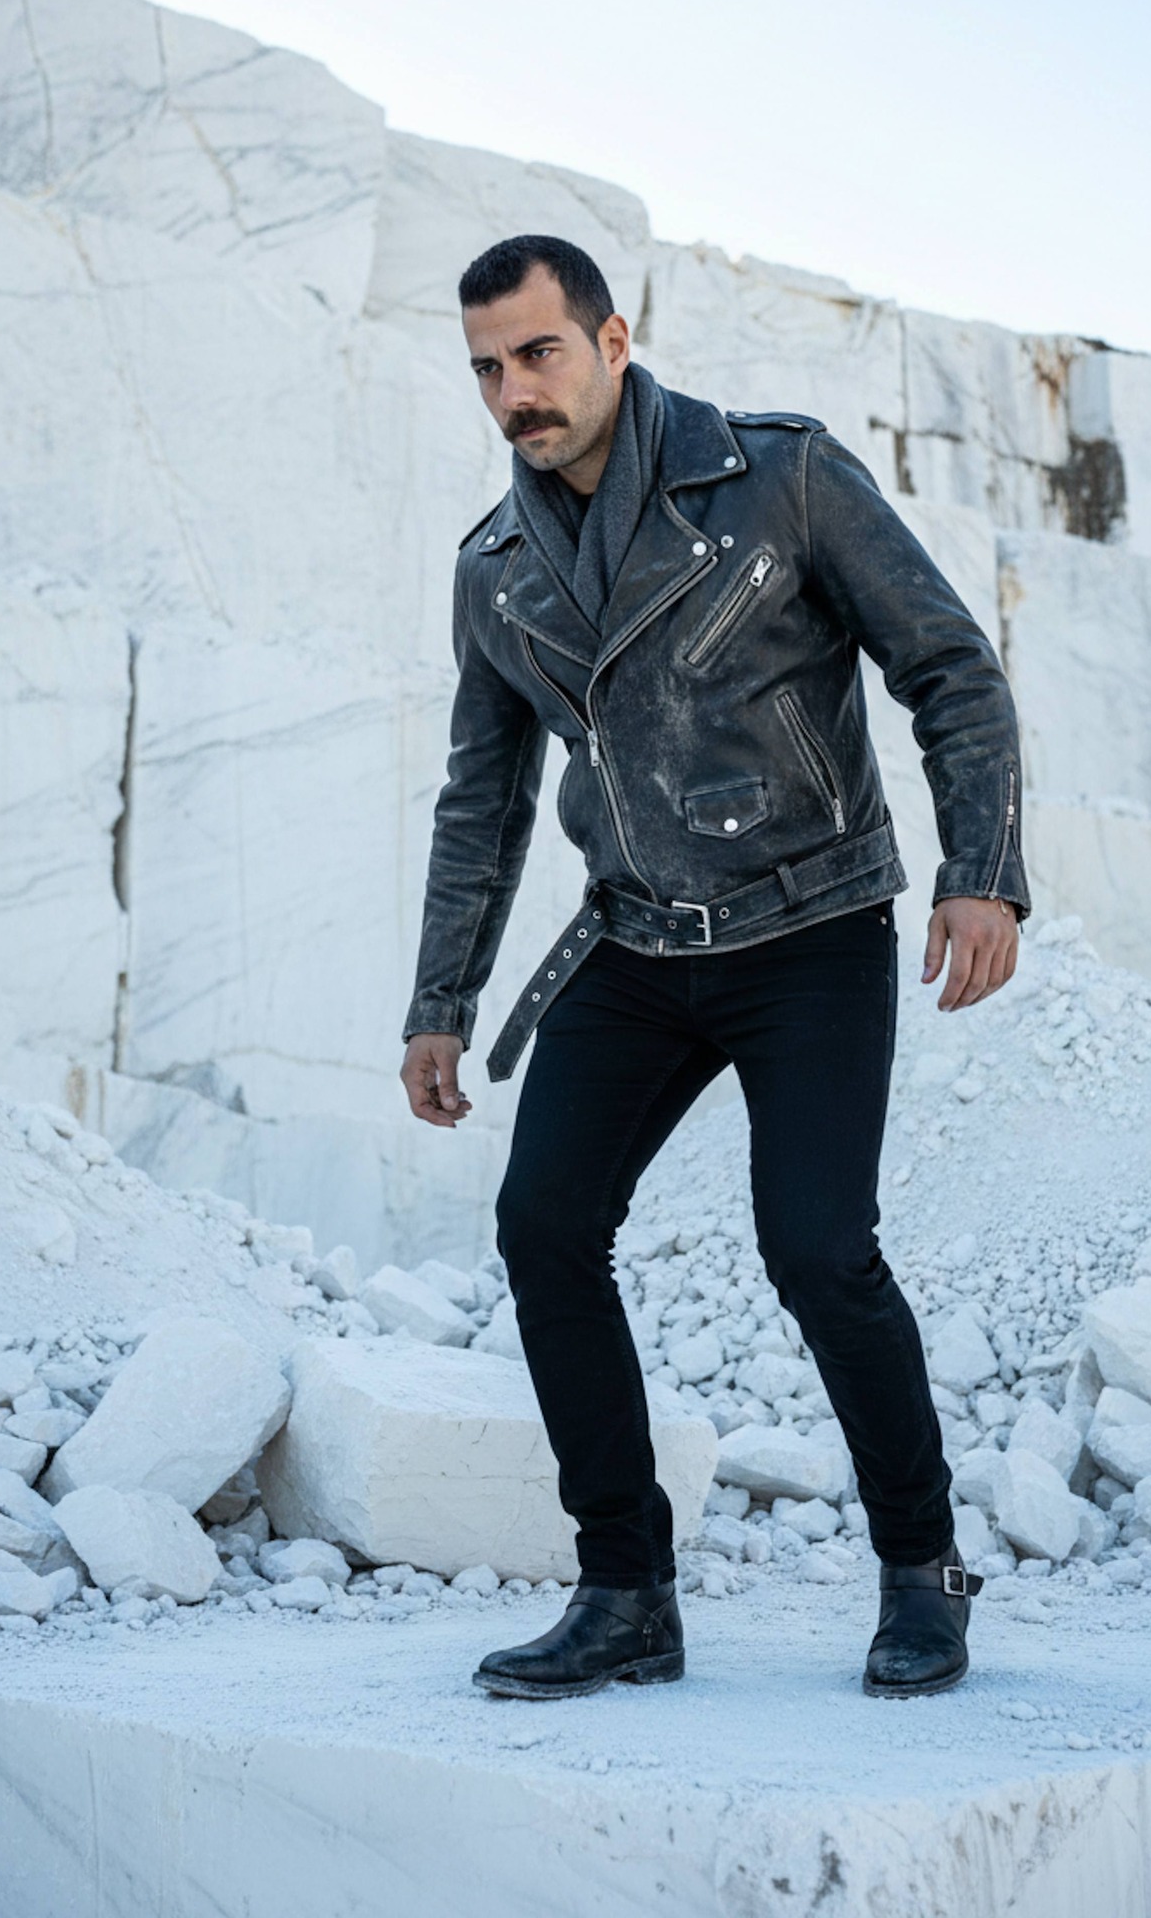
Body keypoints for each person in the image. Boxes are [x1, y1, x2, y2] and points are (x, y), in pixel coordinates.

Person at [399, 233, 1031, 1700]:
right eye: (487, 367)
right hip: (629, 945)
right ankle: (625, 1592)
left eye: (539, 353)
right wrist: (443, 1003)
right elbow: (479, 802)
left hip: (810, 929)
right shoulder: (494, 572)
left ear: (615, 342)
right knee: (544, 1229)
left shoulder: (778, 476)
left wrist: (982, 871)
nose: (514, 393)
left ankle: (923, 1574)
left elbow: (949, 668)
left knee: (817, 1248)